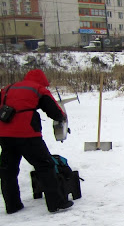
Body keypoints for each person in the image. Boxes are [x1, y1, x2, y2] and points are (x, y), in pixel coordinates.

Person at [0, 69, 73, 214]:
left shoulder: (8, 88)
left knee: (8, 170)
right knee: (45, 165)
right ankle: (56, 203)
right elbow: (54, 111)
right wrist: (62, 117)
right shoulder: (38, 89)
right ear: (42, 81)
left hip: (5, 134)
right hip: (27, 134)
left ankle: (12, 205)